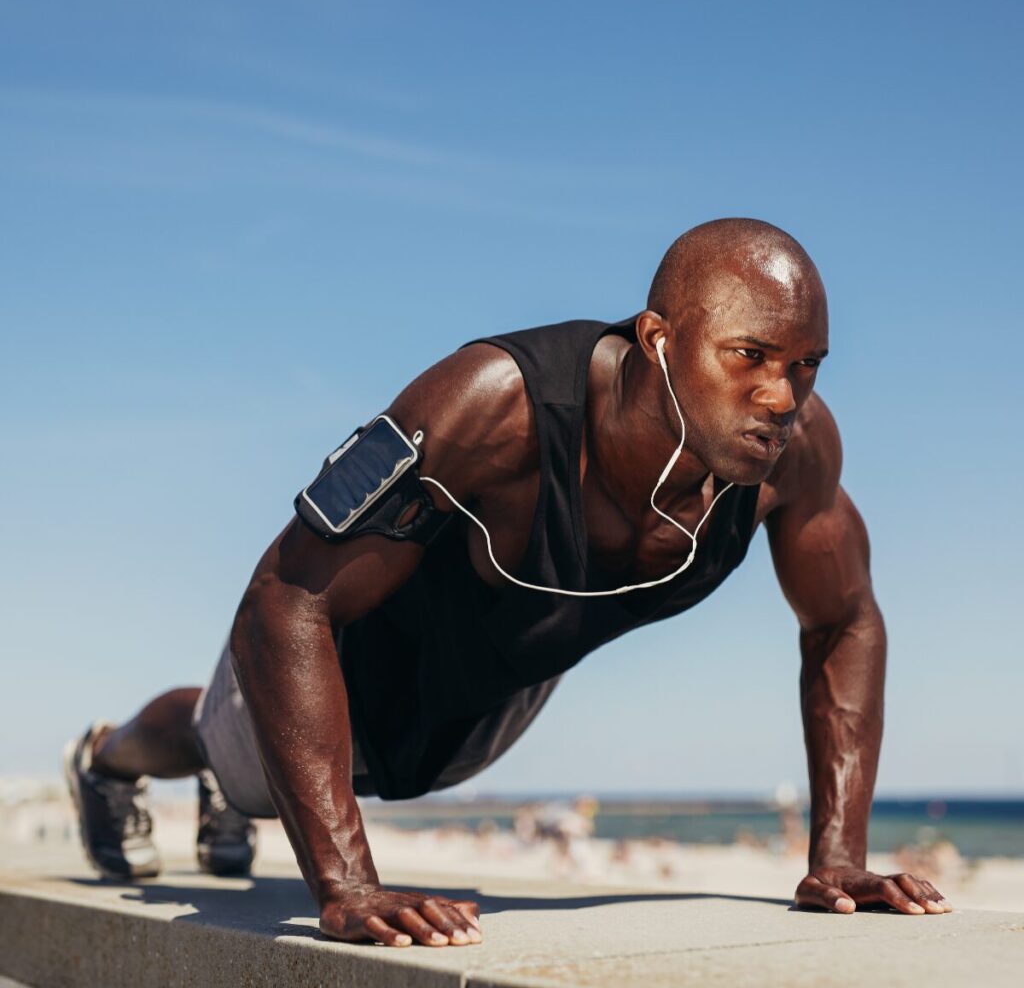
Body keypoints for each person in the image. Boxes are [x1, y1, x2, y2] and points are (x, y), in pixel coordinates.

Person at [64, 218, 953, 949]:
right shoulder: (492, 405)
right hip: (337, 666)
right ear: (659, 340)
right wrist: (345, 884)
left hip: (490, 703)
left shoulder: (796, 458)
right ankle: (107, 761)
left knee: (376, 771)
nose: (780, 396)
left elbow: (845, 621)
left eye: (806, 366)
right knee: (226, 753)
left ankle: (233, 784)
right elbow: (287, 596)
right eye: (750, 355)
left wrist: (838, 857)